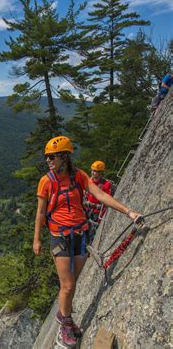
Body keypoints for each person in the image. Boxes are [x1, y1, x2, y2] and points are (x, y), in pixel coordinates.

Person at [33, 136, 141, 348]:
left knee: (72, 283)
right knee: (68, 284)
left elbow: (100, 195)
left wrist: (128, 212)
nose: (48, 160)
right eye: (47, 157)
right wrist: (36, 239)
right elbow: (40, 212)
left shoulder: (79, 176)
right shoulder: (46, 181)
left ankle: (65, 318)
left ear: (64, 156)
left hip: (81, 235)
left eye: (52, 156)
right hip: (60, 237)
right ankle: (65, 323)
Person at [85, 160, 112, 241]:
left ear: (100, 173)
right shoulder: (88, 181)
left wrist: (95, 206)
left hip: (97, 213)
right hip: (87, 210)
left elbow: (107, 200)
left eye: (95, 171)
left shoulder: (106, 184)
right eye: (93, 170)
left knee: (92, 234)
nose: (93, 173)